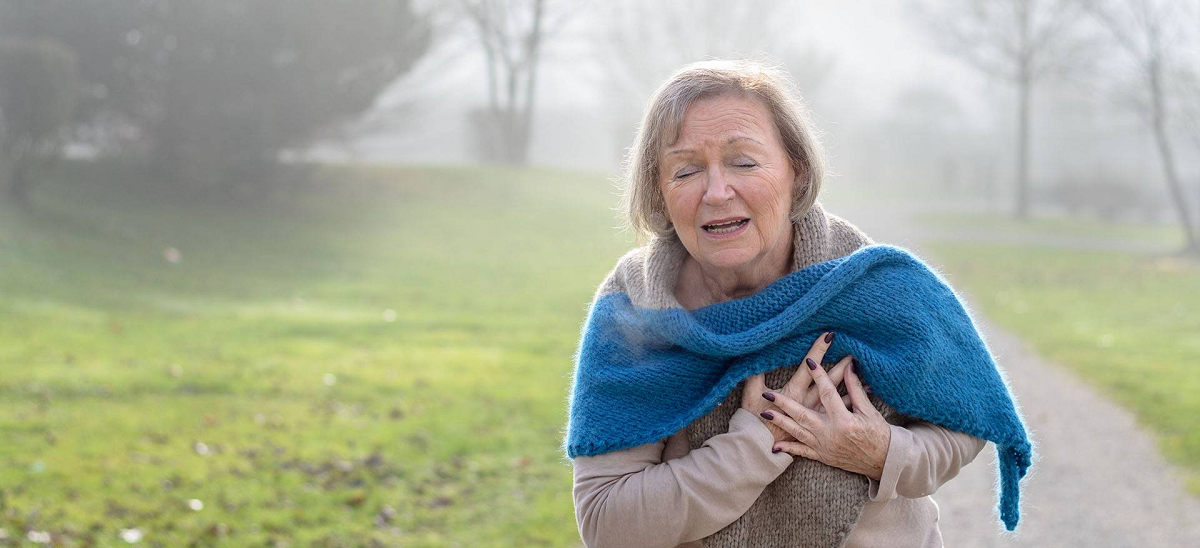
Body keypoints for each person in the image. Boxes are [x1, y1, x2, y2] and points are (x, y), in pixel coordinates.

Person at [569, 59, 989, 548]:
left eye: (744, 162)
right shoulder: (638, 307)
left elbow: (963, 426)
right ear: (660, 195)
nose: (718, 191)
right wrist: (752, 446)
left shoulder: (871, 284)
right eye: (686, 170)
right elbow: (607, 524)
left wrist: (882, 452)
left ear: (797, 171)